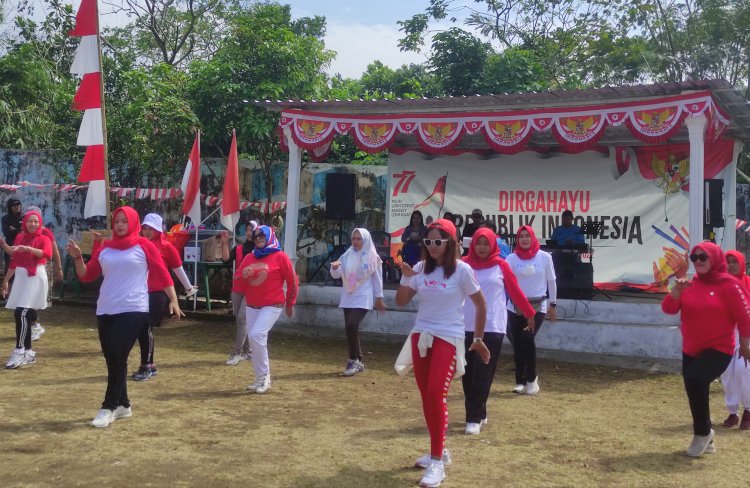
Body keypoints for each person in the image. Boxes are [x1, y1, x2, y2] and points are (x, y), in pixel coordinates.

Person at [66, 206, 184, 428]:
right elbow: (86, 275)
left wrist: (174, 299)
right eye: (116, 221)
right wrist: (78, 258)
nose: (120, 225)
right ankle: (124, 405)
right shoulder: (105, 248)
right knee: (112, 359)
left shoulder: (144, 245)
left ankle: (108, 407)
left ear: (132, 223)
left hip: (134, 309)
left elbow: (162, 272)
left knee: (118, 356)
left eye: (124, 221)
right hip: (106, 309)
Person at [394, 218, 489, 488]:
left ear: (451, 243)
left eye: (439, 241)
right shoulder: (421, 269)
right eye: (429, 241)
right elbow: (401, 302)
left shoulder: (462, 271)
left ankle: (437, 463)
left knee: (437, 393)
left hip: (448, 336)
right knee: (427, 396)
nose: (433, 246)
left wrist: (479, 339)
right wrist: (406, 276)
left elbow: (481, 307)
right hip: (420, 335)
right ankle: (440, 450)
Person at [662, 242, 750, 456]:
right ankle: (707, 438)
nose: (698, 261)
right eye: (695, 257)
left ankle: (701, 434)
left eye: (704, 257)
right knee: (694, 389)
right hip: (691, 349)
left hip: (719, 348)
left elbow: (745, 317)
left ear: (715, 259)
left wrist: (746, 345)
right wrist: (676, 291)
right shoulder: (689, 284)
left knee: (695, 379)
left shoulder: (729, 285)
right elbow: (668, 309)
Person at [462, 228, 535, 435]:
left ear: (493, 245)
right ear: (473, 244)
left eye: (487, 243)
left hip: (493, 326)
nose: (482, 247)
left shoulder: (501, 266)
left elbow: (515, 292)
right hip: (466, 325)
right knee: (467, 374)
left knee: (482, 373)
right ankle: (480, 411)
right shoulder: (464, 265)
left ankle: (473, 418)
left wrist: (529, 313)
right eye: (479, 243)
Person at [130, 213, 196, 381]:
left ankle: (147, 365)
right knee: (142, 329)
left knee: (146, 328)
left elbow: (177, 269)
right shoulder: (139, 245)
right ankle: (149, 365)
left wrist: (188, 288)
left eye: (150, 228)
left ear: (158, 230)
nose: (146, 231)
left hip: (158, 293)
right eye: (144, 228)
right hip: (140, 291)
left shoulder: (167, 247)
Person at [235, 225, 297, 394]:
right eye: (255, 236)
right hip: (252, 305)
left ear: (269, 236)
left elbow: (292, 280)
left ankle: (265, 377)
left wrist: (290, 303)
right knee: (255, 340)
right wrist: (244, 275)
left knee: (256, 335)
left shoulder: (280, 257)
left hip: (272, 305)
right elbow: (238, 279)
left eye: (262, 235)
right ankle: (259, 378)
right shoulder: (249, 257)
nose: (258, 238)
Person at [505, 225, 557, 395]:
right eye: (521, 236)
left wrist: (553, 305)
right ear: (517, 239)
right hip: (515, 307)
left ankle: (532, 378)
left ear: (533, 237)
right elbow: (504, 281)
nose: (525, 239)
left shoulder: (544, 257)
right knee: (518, 343)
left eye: (528, 236)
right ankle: (520, 381)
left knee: (528, 338)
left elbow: (552, 281)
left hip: (537, 307)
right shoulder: (511, 259)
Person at [330, 228, 387, 376]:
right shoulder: (347, 254)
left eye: (358, 239)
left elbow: (377, 279)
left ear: (365, 240)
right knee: (351, 328)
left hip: (363, 297)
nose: (355, 241)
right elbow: (336, 274)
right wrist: (335, 267)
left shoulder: (373, 257)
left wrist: (379, 298)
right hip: (348, 295)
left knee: (352, 324)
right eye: (353, 238)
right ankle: (359, 360)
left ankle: (352, 360)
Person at [2, 210, 52, 369]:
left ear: (40, 223)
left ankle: (19, 350)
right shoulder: (19, 237)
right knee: (26, 313)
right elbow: (14, 260)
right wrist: (5, 281)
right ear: (24, 223)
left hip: (35, 276)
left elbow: (47, 254)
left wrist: (28, 249)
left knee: (21, 312)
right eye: (30, 221)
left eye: (36, 221)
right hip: (22, 277)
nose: (33, 224)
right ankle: (29, 352)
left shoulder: (44, 238)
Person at [220, 220, 259, 366]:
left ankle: (236, 353)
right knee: (240, 320)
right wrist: (225, 243)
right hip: (237, 287)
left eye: (252, 230)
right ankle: (248, 351)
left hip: (253, 288)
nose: (249, 232)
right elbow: (226, 260)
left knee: (242, 318)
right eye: (247, 229)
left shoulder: (260, 249)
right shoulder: (239, 248)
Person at [721, 250, 750, 430]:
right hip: (726, 334)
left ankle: (748, 409)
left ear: (742, 264)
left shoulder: (748, 283)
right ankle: (733, 411)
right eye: (728, 261)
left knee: (743, 370)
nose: (731, 265)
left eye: (734, 262)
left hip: (747, 333)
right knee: (726, 372)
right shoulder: (721, 284)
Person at [1, 198, 22, 273]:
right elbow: (6, 233)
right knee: (10, 269)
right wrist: (20, 229)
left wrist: (14, 229)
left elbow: (27, 231)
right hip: (10, 247)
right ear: (10, 207)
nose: (17, 207)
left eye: (18, 205)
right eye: (14, 205)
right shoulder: (5, 218)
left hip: (23, 247)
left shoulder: (24, 217)